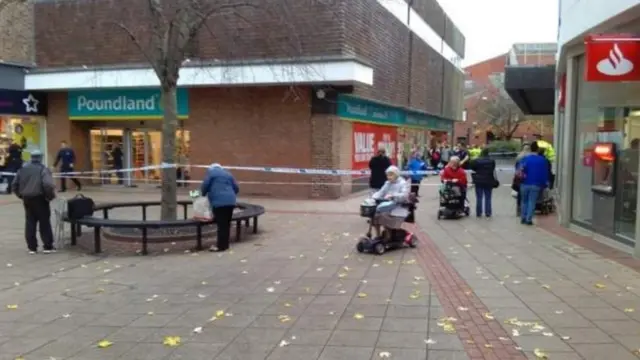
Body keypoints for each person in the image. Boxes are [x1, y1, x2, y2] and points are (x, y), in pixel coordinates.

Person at [11, 149, 56, 254]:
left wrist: (21, 195)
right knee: (44, 222)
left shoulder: (22, 169)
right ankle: (47, 246)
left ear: (31, 157)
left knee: (30, 222)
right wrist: (49, 196)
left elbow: (14, 185)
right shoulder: (43, 169)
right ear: (40, 157)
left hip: (27, 198)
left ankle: (32, 247)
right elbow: (48, 184)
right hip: (40, 198)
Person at [201, 163, 239, 252]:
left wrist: (202, 194)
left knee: (221, 224)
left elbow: (205, 186)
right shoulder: (228, 174)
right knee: (226, 224)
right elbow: (236, 188)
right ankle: (225, 245)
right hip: (231, 202)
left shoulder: (211, 173)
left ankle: (220, 246)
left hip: (219, 203)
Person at [372, 166, 411, 241]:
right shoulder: (387, 183)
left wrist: (393, 195)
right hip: (388, 205)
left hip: (399, 206)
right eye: (387, 175)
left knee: (383, 215)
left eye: (391, 175)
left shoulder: (402, 183)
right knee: (375, 215)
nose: (388, 177)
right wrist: (373, 197)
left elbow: (404, 195)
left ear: (396, 174)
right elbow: (381, 192)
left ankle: (388, 235)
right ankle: (378, 235)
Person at [518, 141, 550, 225]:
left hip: (524, 183)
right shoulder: (543, 160)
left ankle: (523, 218)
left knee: (524, 201)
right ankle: (529, 219)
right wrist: (545, 184)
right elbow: (545, 174)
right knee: (532, 201)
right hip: (536, 184)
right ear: (537, 149)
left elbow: (519, 170)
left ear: (530, 149)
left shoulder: (525, 159)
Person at [470, 148, 497, 217]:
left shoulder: (476, 160)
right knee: (488, 197)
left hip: (478, 180)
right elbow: (493, 169)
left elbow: (473, 168)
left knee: (479, 197)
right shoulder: (492, 161)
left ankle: (479, 212)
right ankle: (488, 212)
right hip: (489, 180)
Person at [514, 144, 532, 216]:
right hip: (529, 178)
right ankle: (527, 211)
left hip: (520, 178)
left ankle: (519, 210)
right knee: (528, 196)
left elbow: (516, 168)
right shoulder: (530, 157)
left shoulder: (519, 156)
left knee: (520, 195)